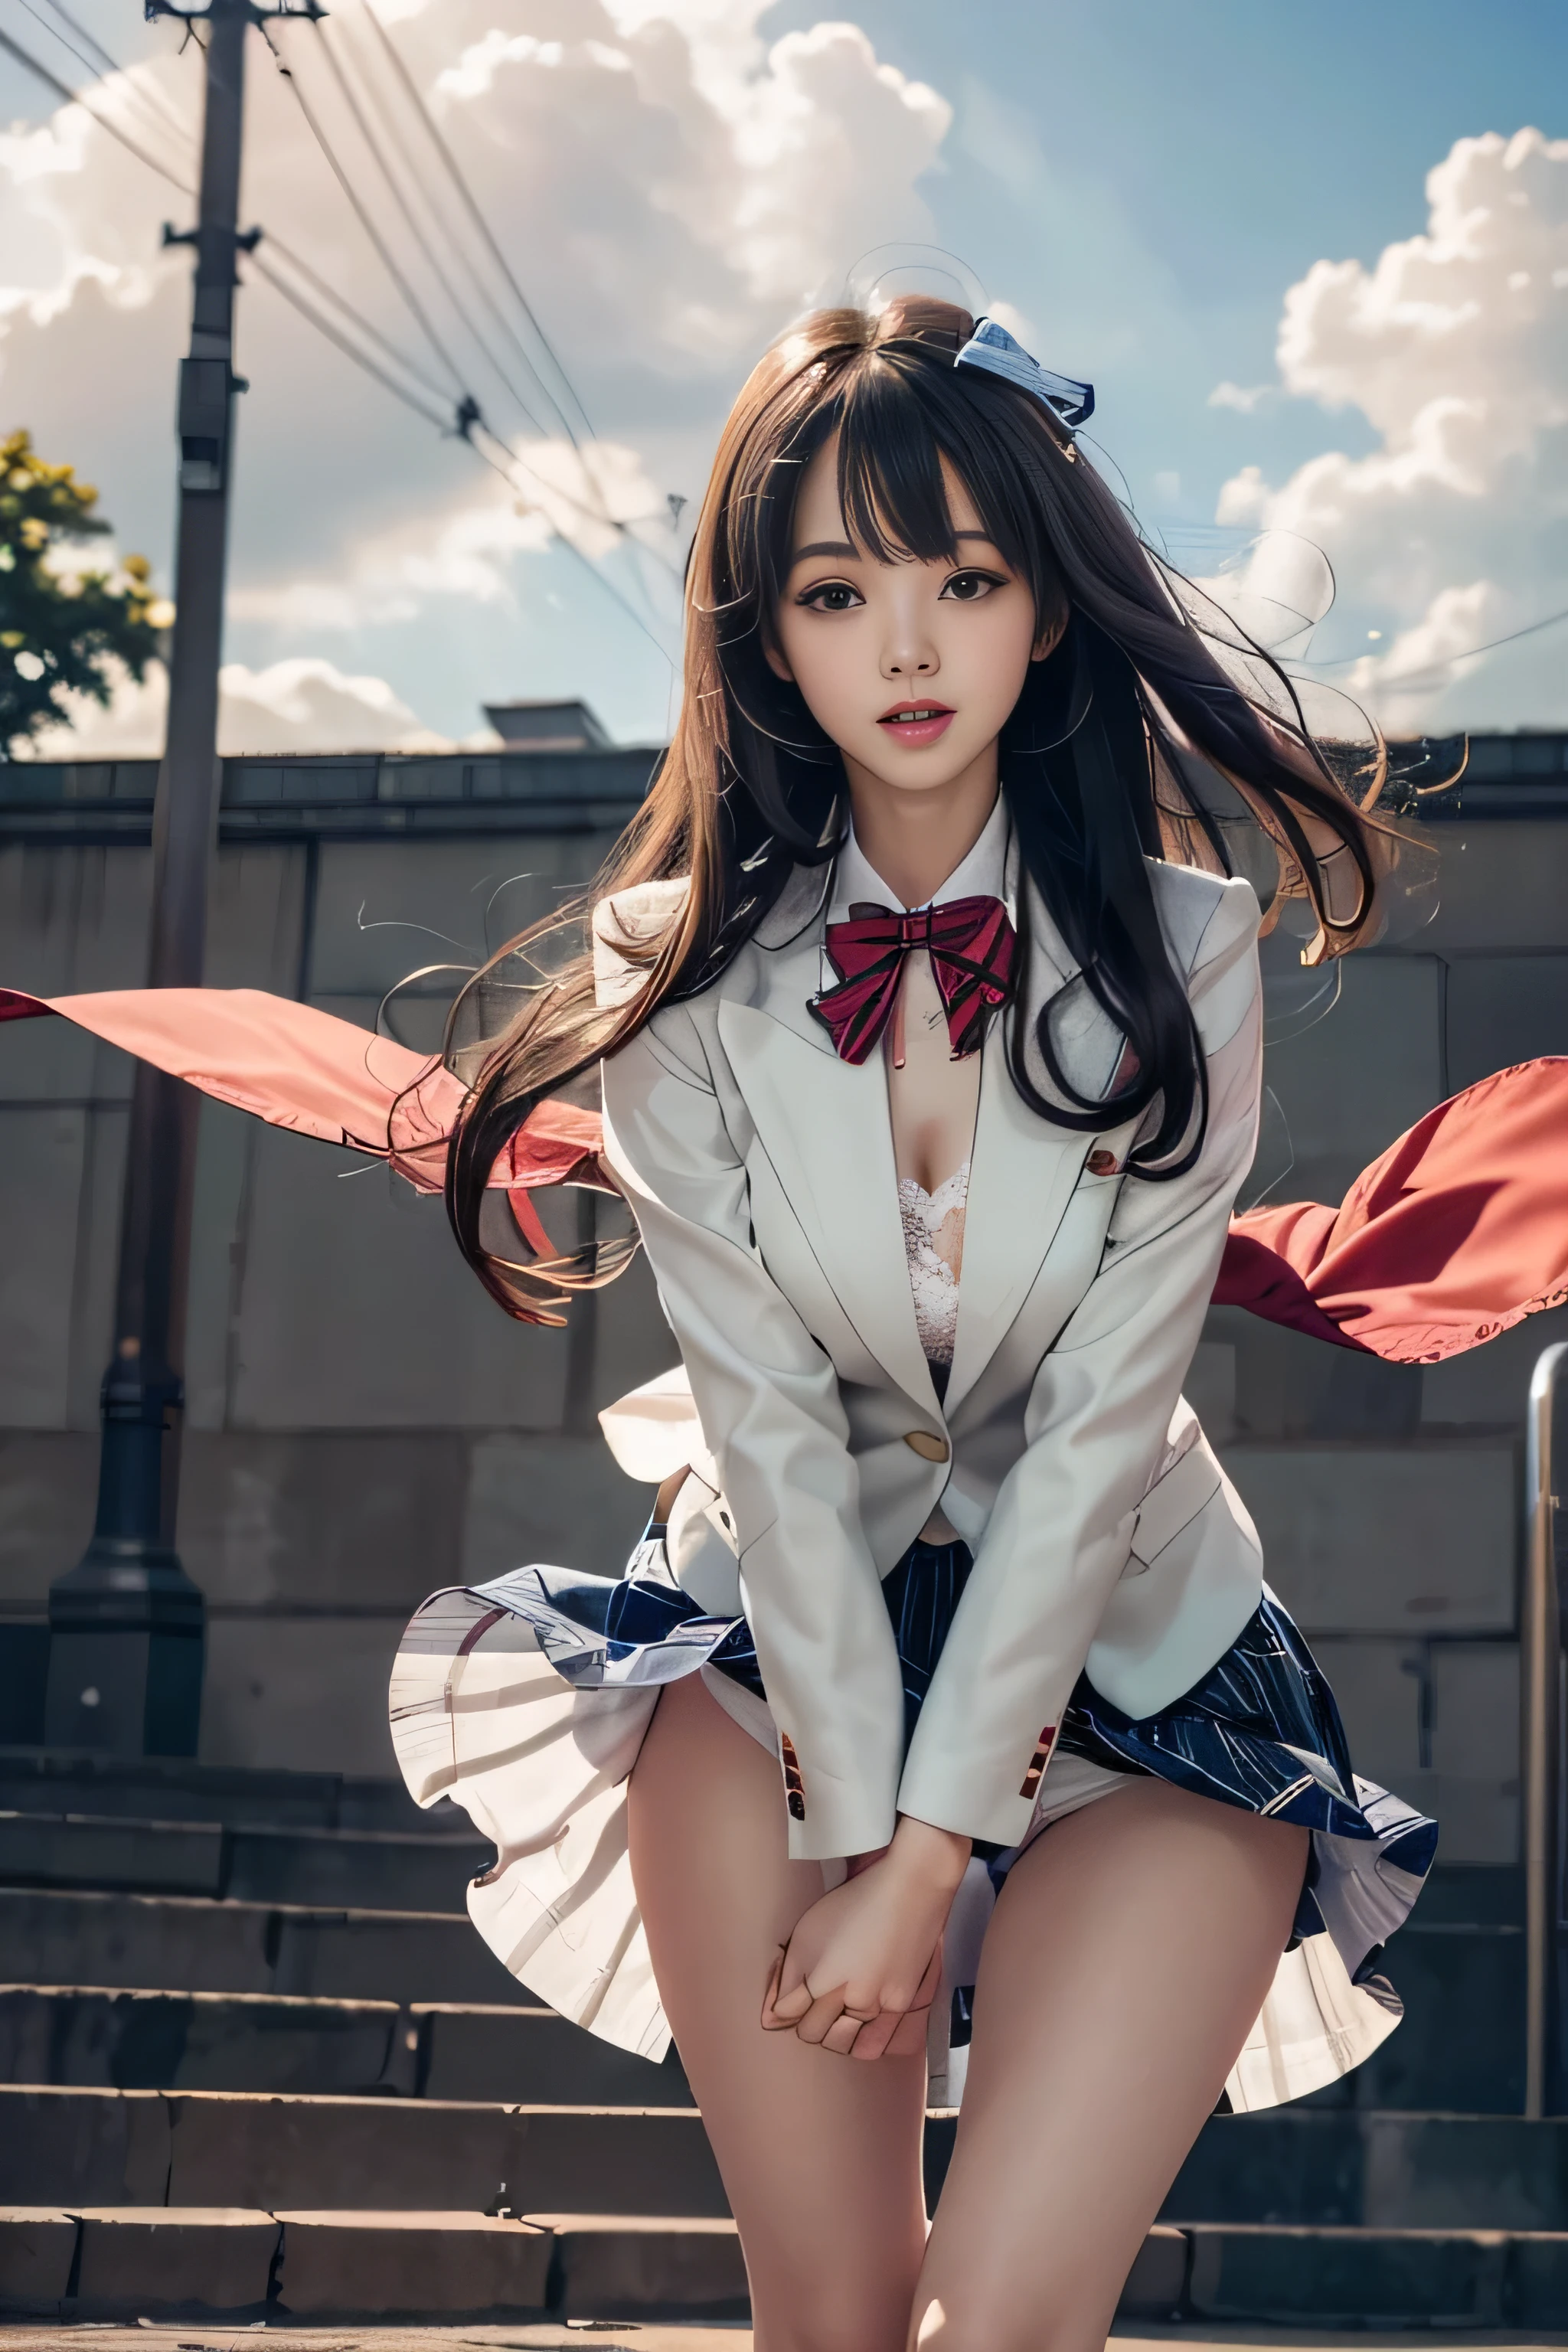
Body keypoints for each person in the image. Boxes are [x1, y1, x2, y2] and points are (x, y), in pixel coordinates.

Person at [27, 291, 1568, 2350]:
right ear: (767, 632)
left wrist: (929, 1866)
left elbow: (1104, 1423)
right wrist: (861, 1825)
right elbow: (766, 1436)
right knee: (833, 2323)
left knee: (1003, 2327)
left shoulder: (1181, 945)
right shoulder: (675, 972)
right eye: (841, 590)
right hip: (773, 1665)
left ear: (1047, 605)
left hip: (1146, 1662)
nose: (909, 647)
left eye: (966, 576)